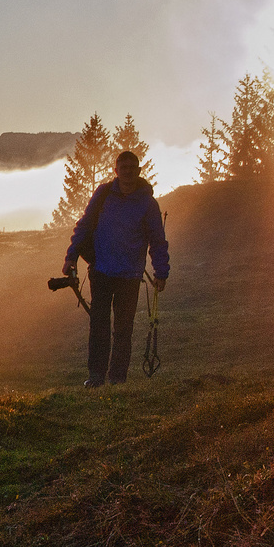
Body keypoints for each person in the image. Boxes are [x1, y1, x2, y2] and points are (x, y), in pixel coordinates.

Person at [62, 150, 169, 386]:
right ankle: (96, 376)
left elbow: (157, 240)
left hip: (129, 276)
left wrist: (161, 272)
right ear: (116, 170)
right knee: (98, 326)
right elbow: (85, 225)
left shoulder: (147, 203)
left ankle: (117, 378)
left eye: (133, 167)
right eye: (124, 167)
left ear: (139, 171)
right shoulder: (103, 194)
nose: (128, 171)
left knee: (123, 329)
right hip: (100, 270)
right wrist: (71, 256)